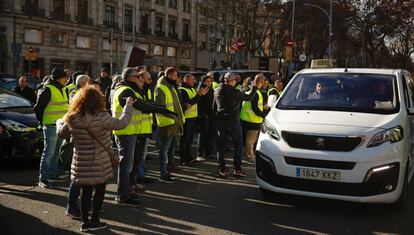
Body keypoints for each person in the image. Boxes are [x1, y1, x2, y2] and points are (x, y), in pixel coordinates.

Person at [58, 86, 135, 232]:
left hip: (81, 160)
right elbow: (121, 124)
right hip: (100, 160)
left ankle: (85, 222)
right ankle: (95, 220)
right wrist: (128, 107)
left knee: (86, 191)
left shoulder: (72, 117)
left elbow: (61, 134)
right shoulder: (101, 116)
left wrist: (60, 122)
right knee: (99, 190)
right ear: (98, 100)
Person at [112, 67, 175, 204]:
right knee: (126, 166)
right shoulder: (125, 91)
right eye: (137, 76)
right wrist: (162, 110)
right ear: (128, 77)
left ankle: (127, 190)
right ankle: (122, 195)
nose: (140, 79)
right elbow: (143, 107)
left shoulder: (132, 89)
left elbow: (145, 104)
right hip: (125, 132)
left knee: (129, 165)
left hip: (132, 131)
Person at [214, 72, 263, 177]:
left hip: (221, 121)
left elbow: (214, 106)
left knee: (221, 146)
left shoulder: (217, 90)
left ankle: (221, 168)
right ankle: (237, 168)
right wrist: (255, 87)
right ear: (231, 81)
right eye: (235, 80)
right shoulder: (234, 92)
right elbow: (249, 97)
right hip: (233, 122)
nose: (236, 82)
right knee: (238, 145)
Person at [34, 67, 69, 188]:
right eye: (65, 77)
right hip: (51, 125)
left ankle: (52, 175)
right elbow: (38, 108)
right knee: (49, 152)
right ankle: (43, 178)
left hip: (61, 125)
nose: (67, 79)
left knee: (55, 152)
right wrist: (41, 122)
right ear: (59, 78)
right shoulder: (48, 89)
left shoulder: (63, 89)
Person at [154, 67, 185, 183]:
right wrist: (173, 116)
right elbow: (160, 107)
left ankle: (167, 171)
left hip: (174, 123)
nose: (177, 78)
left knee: (170, 150)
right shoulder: (162, 87)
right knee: (164, 150)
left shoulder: (170, 87)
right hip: (167, 124)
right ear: (170, 75)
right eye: (175, 75)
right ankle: (163, 174)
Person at [179, 74, 208, 165]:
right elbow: (188, 104)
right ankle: (184, 159)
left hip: (192, 118)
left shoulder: (191, 89)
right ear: (185, 80)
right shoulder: (182, 90)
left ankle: (189, 157)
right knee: (185, 140)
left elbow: (195, 101)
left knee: (190, 140)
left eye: (194, 79)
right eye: (192, 79)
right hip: (186, 119)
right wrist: (199, 95)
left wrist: (200, 95)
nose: (194, 81)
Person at [240, 74, 269, 162]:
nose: (266, 84)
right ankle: (250, 157)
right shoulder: (256, 92)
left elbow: (255, 106)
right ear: (261, 82)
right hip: (253, 121)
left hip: (245, 119)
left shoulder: (249, 89)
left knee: (247, 140)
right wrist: (264, 116)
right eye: (264, 82)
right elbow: (255, 108)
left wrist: (263, 107)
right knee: (250, 141)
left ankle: (248, 155)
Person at [197, 75, 216, 160]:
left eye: (210, 81)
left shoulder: (211, 90)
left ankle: (209, 153)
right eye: (207, 81)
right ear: (203, 82)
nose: (209, 83)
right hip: (204, 116)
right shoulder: (201, 89)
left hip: (212, 115)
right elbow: (199, 104)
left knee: (211, 135)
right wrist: (204, 114)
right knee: (203, 135)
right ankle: (200, 154)